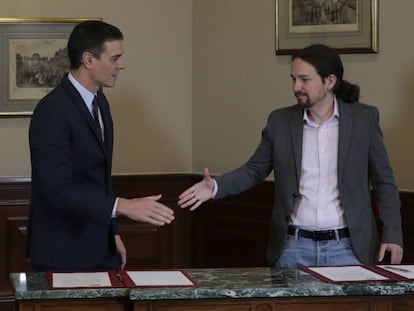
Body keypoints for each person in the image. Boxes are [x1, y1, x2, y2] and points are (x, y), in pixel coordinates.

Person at [178, 44, 403, 268]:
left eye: (304, 80)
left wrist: (392, 233)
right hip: (293, 249)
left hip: (349, 249)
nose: (296, 87)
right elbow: (254, 170)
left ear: (330, 81)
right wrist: (215, 187)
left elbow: (384, 182)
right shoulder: (280, 122)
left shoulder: (364, 119)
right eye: (293, 79)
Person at [27, 20, 175, 272]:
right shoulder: (52, 110)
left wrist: (113, 233)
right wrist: (125, 206)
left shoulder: (100, 102)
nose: (122, 65)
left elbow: (100, 178)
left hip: (100, 245)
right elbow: (57, 191)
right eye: (115, 58)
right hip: (62, 251)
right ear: (88, 59)